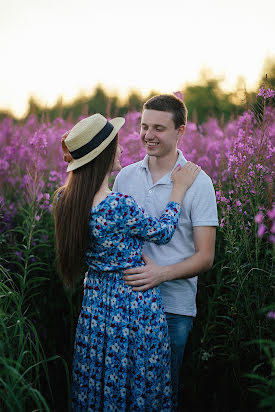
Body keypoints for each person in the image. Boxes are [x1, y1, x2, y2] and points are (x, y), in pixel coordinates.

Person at [55, 113, 201, 411]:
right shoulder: (118, 206)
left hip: (96, 305)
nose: (122, 150)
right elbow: (161, 233)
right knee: (138, 383)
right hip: (131, 305)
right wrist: (179, 190)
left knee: (98, 378)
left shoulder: (64, 200)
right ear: (104, 156)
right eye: (117, 146)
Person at [113, 94, 219, 408]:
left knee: (162, 396)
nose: (148, 135)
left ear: (180, 131)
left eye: (159, 128)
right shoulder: (125, 177)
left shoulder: (199, 183)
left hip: (174, 308)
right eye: (144, 126)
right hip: (126, 302)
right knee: (123, 392)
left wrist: (161, 274)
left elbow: (206, 256)